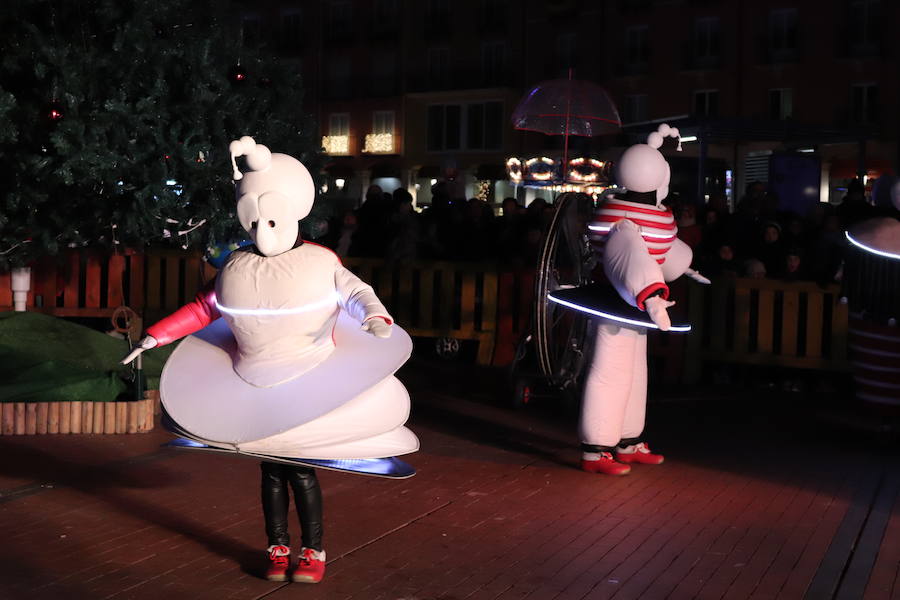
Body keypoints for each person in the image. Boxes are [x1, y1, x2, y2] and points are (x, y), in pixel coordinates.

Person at [121, 137, 418, 583]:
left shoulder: (320, 263)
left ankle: (313, 549)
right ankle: (278, 546)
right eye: (254, 219)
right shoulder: (236, 268)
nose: (263, 231)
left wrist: (375, 315)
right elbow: (205, 308)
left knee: (300, 469)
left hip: (308, 376)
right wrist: (155, 335)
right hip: (252, 380)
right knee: (271, 471)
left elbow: (353, 290)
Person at [576, 124, 709, 475]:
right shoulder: (624, 222)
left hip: (636, 304)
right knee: (610, 370)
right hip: (616, 300)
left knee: (636, 372)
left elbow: (659, 249)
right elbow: (631, 257)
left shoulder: (644, 214)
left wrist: (685, 266)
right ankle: (596, 448)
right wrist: (651, 294)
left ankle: (627, 440)